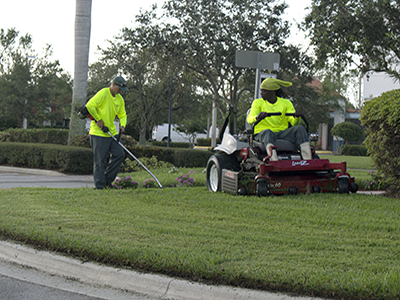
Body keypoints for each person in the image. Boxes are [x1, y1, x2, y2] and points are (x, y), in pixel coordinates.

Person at [246, 78, 312, 161]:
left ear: (272, 91)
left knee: (300, 128)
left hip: (282, 133)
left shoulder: (286, 103)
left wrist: (297, 117)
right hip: (263, 133)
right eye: (261, 91)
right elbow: (249, 119)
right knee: (268, 132)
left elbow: (294, 123)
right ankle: (273, 159)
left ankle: (308, 160)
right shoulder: (257, 103)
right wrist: (257, 117)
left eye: (264, 91)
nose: (261, 93)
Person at [86, 76, 129, 189]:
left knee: (119, 154)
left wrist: (123, 125)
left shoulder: (120, 99)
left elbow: (123, 115)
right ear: (113, 84)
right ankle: (100, 186)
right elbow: (90, 106)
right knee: (99, 161)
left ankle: (107, 181)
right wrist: (98, 119)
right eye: (119, 88)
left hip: (112, 133)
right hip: (98, 133)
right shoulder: (103, 93)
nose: (120, 91)